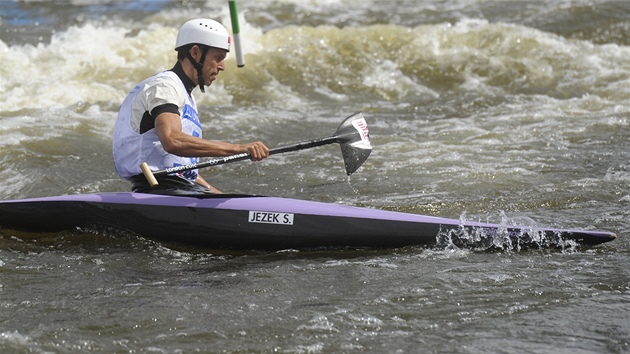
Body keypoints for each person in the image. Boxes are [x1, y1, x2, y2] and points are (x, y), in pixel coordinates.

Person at [113, 18, 269, 195]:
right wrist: (240, 148)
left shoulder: (186, 96)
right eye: (218, 57)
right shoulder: (164, 87)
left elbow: (186, 174)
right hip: (157, 189)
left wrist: (222, 197)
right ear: (195, 52)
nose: (222, 66)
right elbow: (172, 140)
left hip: (180, 188)